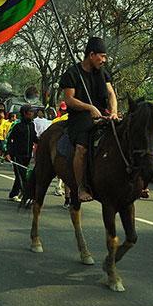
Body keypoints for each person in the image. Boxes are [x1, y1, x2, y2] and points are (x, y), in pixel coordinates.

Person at [58, 36, 118, 202]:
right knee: (81, 148)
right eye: (102, 56)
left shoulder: (103, 74)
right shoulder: (72, 73)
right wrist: (89, 107)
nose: (104, 60)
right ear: (91, 55)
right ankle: (80, 187)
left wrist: (113, 111)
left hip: (103, 115)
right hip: (80, 117)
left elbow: (111, 94)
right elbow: (69, 99)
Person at [5, 105, 37, 201]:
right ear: (24, 113)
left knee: (21, 176)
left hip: (27, 155)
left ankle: (13, 194)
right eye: (30, 112)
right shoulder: (17, 125)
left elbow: (35, 138)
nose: (32, 113)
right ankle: (26, 196)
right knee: (22, 176)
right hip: (17, 155)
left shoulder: (32, 125)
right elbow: (9, 139)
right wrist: (7, 153)